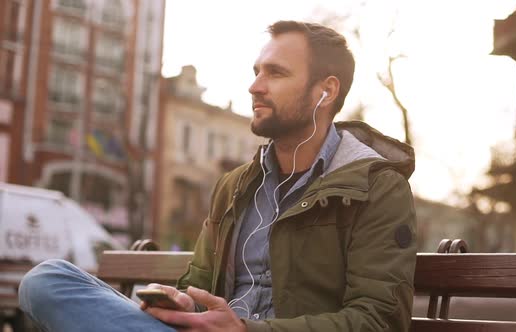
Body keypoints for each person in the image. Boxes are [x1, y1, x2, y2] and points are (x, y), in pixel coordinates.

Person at [19, 20, 417, 332]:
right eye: (257, 71)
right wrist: (183, 304)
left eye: (275, 73)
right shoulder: (236, 185)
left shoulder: (376, 187)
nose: (255, 87)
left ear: (325, 91)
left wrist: (247, 329)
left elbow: (378, 320)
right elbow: (200, 288)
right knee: (47, 279)